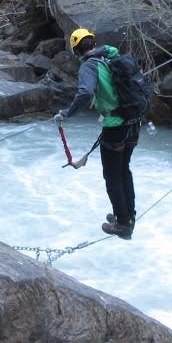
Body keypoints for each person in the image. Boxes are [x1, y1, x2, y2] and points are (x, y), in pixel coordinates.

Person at [53, 28, 140, 240]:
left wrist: (67, 113)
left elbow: (86, 92)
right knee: (123, 170)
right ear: (94, 42)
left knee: (112, 176)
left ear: (76, 50)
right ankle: (129, 215)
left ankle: (122, 223)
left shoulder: (89, 66)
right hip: (133, 121)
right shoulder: (113, 57)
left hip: (115, 125)